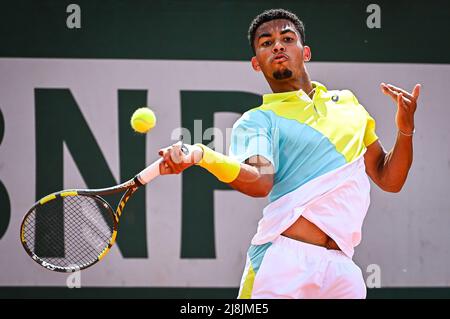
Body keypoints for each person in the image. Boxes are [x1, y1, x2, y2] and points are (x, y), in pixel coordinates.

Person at [157, 8, 421, 299]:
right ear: (256, 63)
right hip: (282, 264)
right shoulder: (258, 120)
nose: (278, 45)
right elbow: (259, 182)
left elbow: (389, 179)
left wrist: (405, 130)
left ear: (305, 52)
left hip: (342, 268)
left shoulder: (348, 103)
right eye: (266, 43)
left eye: (287, 38)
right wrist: (201, 154)